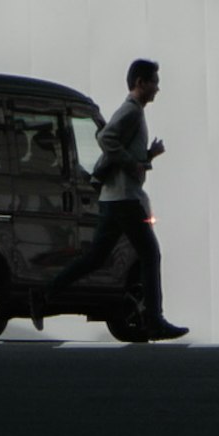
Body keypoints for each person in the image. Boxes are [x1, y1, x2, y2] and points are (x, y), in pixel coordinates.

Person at [91, 60, 186, 340]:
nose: (158, 88)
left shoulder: (135, 112)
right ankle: (155, 320)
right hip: (124, 198)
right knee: (150, 253)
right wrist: (133, 161)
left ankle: (46, 293)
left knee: (96, 257)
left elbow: (118, 148)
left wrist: (147, 156)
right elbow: (106, 138)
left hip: (120, 198)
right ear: (141, 82)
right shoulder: (130, 111)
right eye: (154, 81)